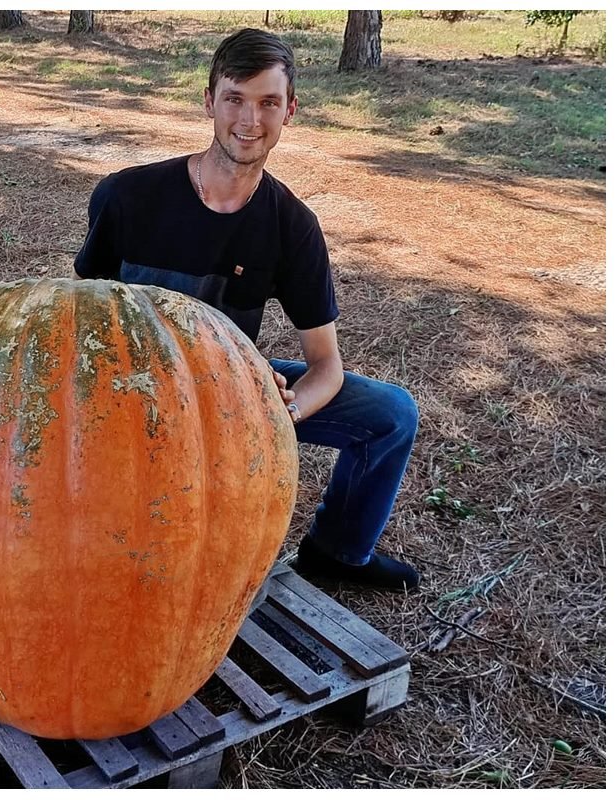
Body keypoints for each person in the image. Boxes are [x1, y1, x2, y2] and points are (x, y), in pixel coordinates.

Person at [72, 28, 420, 591]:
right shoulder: (126, 197)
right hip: (128, 394)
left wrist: (282, 409)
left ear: (290, 111)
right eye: (235, 98)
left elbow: (325, 365)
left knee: (391, 414)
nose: (250, 120)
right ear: (209, 101)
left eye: (268, 102)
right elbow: (76, 320)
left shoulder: (293, 227)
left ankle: (337, 552)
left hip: (224, 393)